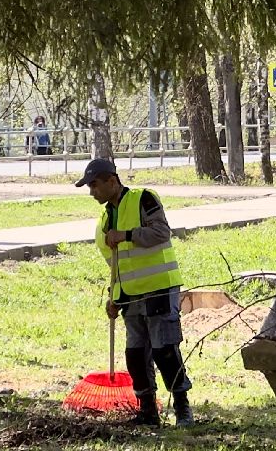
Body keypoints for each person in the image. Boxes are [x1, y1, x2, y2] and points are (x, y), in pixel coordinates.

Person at [77, 157, 193, 427]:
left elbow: (162, 232)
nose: (92, 192)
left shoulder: (144, 199)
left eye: (94, 185)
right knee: (136, 355)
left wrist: (127, 235)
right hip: (129, 296)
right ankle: (147, 410)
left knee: (165, 350)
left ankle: (182, 406)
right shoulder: (105, 220)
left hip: (159, 289)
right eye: (89, 187)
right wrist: (113, 298)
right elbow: (114, 265)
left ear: (112, 180)